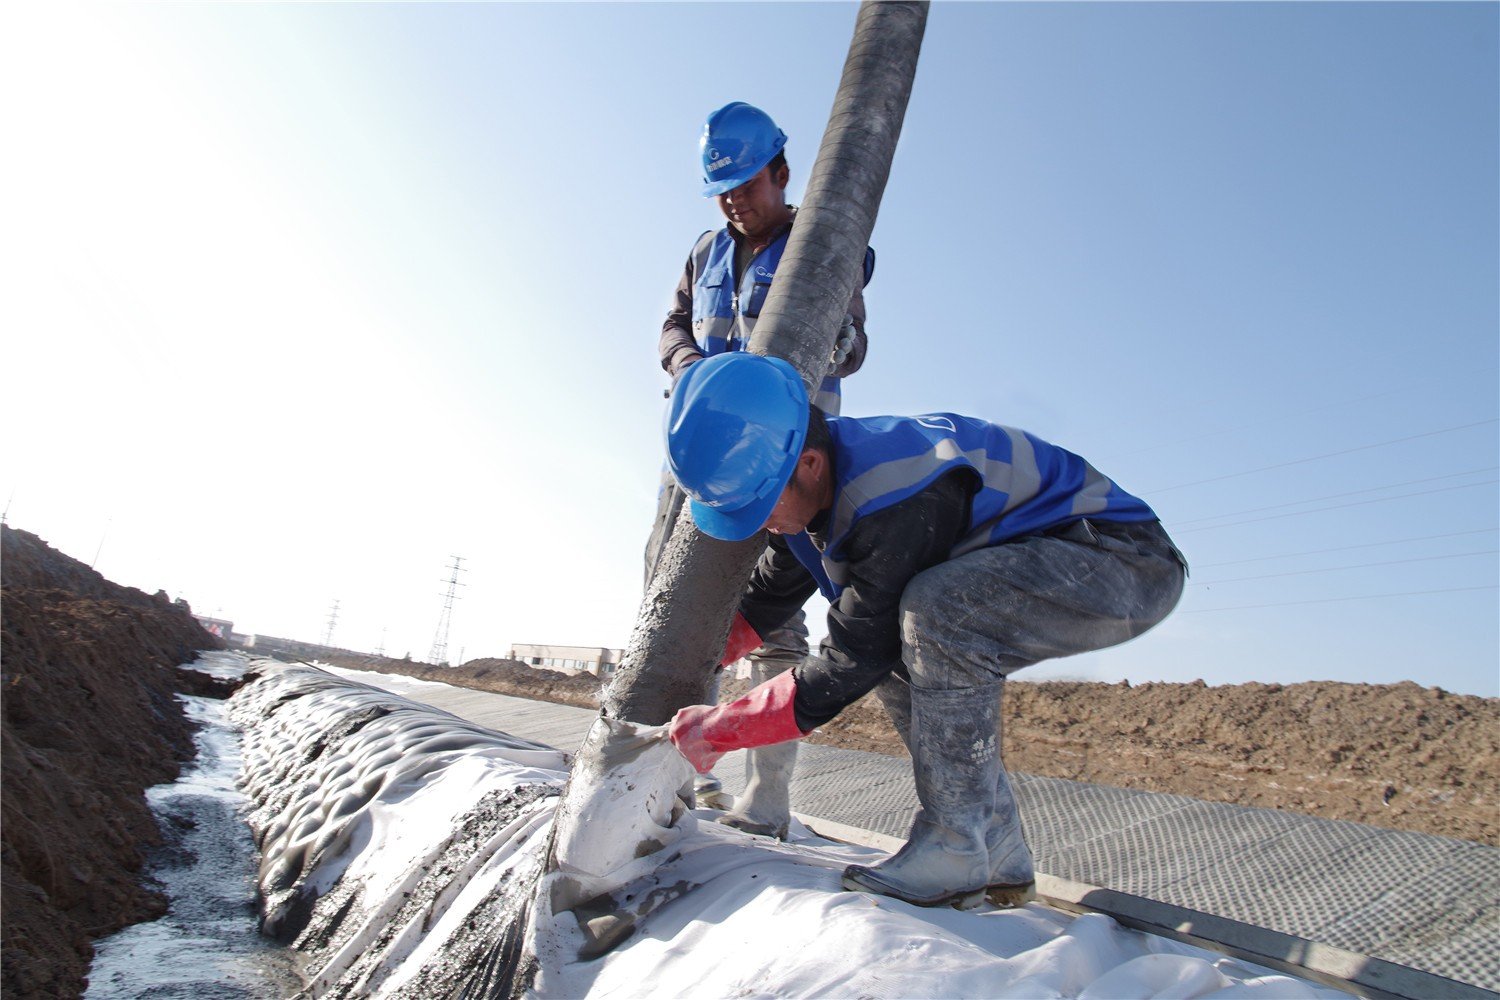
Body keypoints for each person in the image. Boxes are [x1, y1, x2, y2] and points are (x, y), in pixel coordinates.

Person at [663, 352, 1187, 908]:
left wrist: (722, 730)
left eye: (759, 503)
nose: (757, 520)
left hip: (1122, 561)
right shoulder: (806, 491)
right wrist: (694, 662)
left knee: (936, 615)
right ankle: (995, 849)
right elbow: (771, 596)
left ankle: (955, 845)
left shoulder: (892, 494)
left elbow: (853, 657)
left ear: (810, 464)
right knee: (905, 649)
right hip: (1067, 557)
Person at [647, 101, 875, 840]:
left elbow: (854, 347)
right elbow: (673, 326)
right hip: (696, 456)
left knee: (774, 611)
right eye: (722, 188)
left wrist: (823, 336)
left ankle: (768, 798)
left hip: (781, 463)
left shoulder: (822, 246)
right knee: (677, 603)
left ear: (780, 172)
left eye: (745, 183)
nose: (733, 199)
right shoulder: (704, 250)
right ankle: (673, 781)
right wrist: (690, 371)